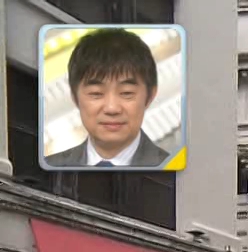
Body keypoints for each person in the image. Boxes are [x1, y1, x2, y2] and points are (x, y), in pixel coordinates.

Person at [45, 28, 172, 168]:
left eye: (126, 93)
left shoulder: (175, 171)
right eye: (96, 93)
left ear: (150, 96)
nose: (112, 108)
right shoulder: (50, 166)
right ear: (75, 97)